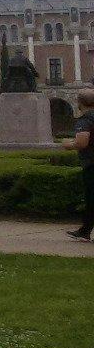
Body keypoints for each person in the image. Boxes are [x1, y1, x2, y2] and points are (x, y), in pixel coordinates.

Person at [66, 89, 94, 241]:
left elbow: (82, 142)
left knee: (91, 198)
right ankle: (85, 230)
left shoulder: (85, 120)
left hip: (92, 164)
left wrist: (68, 144)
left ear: (79, 103)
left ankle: (85, 230)